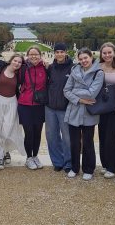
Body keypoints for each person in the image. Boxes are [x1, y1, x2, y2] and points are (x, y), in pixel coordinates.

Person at [63, 47, 104, 181]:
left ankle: (88, 169)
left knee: (88, 142)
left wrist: (75, 91)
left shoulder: (98, 72)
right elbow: (66, 90)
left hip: (88, 112)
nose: (83, 61)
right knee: (74, 142)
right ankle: (75, 168)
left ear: (91, 57)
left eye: (85, 58)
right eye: (80, 59)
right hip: (74, 110)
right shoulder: (75, 70)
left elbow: (92, 93)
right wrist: (79, 99)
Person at [0, 54, 26, 170]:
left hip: (12, 103)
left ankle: (6, 150)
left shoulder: (19, 73)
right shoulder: (1, 67)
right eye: (15, 60)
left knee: (7, 129)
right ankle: (0, 156)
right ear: (11, 60)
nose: (17, 63)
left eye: (19, 62)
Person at [18, 46, 47, 170]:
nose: (34, 56)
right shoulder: (23, 68)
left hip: (39, 105)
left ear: (40, 55)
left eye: (36, 54)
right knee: (29, 132)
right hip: (25, 104)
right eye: (31, 54)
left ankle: (35, 156)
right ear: (27, 56)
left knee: (38, 132)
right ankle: (29, 157)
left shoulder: (45, 68)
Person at [45, 43, 73, 173]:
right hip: (50, 107)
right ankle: (57, 161)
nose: (59, 54)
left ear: (66, 53)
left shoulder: (73, 68)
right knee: (52, 136)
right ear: (54, 53)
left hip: (65, 107)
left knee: (67, 137)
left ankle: (68, 162)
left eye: (62, 51)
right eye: (57, 52)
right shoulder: (50, 67)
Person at [97, 42, 115, 179]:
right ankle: (105, 164)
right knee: (102, 136)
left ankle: (113, 166)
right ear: (101, 54)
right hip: (101, 107)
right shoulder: (97, 67)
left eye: (109, 52)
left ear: (114, 53)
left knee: (111, 138)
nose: (107, 55)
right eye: (104, 53)